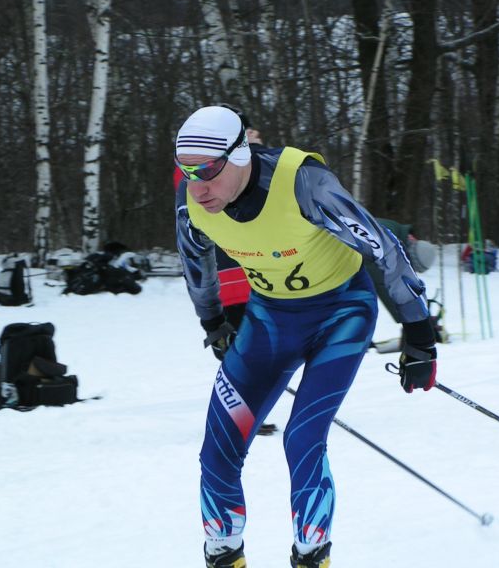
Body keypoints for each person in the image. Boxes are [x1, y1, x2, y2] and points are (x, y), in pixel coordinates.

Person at [174, 105, 436, 568]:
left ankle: (312, 558)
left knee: (302, 438)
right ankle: (224, 556)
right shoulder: (192, 200)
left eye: (208, 171)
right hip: (271, 320)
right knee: (218, 448)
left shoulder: (302, 182)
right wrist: (213, 323)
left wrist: (419, 332)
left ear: (240, 153)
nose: (197, 187)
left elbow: (382, 246)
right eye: (187, 171)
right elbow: (196, 263)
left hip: (342, 313)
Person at [172, 123, 277, 436]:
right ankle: (240, 415)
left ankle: (247, 413)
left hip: (249, 275)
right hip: (228, 277)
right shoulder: (196, 170)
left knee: (254, 349)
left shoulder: (222, 167)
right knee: (239, 350)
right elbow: (260, 176)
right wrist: (252, 150)